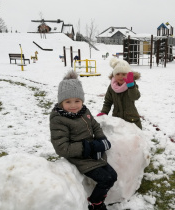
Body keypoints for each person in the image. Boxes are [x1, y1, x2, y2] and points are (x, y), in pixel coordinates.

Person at [49, 71, 117, 210]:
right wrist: (89, 147)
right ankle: (95, 202)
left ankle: (97, 199)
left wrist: (101, 139)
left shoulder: (84, 111)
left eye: (77, 101)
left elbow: (95, 125)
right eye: (68, 102)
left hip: (94, 153)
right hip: (79, 157)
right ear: (61, 102)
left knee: (112, 176)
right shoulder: (59, 119)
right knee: (106, 179)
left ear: (82, 100)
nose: (73, 105)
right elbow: (61, 148)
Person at [97, 58, 142, 129]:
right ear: (114, 75)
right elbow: (108, 102)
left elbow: (135, 97)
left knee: (133, 139)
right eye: (118, 74)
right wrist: (104, 112)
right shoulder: (112, 87)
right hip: (117, 118)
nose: (120, 76)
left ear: (128, 75)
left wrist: (131, 86)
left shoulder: (131, 85)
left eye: (124, 74)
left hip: (131, 119)